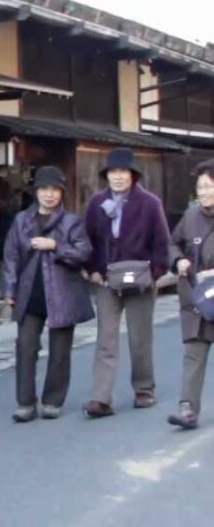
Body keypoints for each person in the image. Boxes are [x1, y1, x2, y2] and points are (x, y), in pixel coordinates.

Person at [83, 148, 171, 419]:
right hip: (107, 279)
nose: (118, 177)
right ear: (106, 175)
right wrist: (92, 270)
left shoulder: (150, 203)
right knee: (106, 339)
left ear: (133, 175)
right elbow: (87, 241)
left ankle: (144, 388)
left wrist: (154, 273)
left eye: (123, 172)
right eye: (113, 172)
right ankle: (101, 398)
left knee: (139, 336)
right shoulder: (97, 203)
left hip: (141, 279)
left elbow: (161, 242)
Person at [1, 166, 94, 422]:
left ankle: (52, 400)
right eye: (44, 189)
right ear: (36, 192)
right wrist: (9, 289)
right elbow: (11, 257)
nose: (49, 195)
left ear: (62, 192)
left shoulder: (71, 222)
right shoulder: (22, 220)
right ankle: (25, 402)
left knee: (60, 350)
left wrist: (56, 245)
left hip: (63, 292)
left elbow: (84, 253)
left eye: (55, 190)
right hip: (30, 292)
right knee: (25, 347)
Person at [166, 160, 214, 429]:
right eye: (200, 187)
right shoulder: (191, 216)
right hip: (197, 298)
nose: (203, 192)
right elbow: (173, 242)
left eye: (208, 186)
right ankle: (188, 409)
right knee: (194, 354)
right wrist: (178, 261)